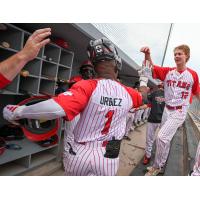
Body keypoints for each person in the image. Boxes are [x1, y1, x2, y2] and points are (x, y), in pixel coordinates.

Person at [3, 37, 147, 176]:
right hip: (111, 150)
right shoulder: (130, 93)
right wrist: (144, 79)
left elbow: (56, 108)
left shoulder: (88, 86)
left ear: (93, 65)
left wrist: (19, 111)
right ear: (117, 63)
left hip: (82, 150)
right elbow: (144, 96)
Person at [140, 45, 200, 175]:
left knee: (161, 137)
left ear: (187, 56)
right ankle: (160, 164)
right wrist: (147, 55)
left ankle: (156, 167)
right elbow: (151, 68)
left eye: (180, 54)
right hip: (167, 109)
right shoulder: (168, 72)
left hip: (180, 110)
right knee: (165, 139)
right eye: (175, 54)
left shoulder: (193, 75)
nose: (176, 56)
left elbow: (197, 92)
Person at [63, 63, 95, 175]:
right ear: (81, 71)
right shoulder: (76, 80)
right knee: (70, 136)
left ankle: (75, 158)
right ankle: (66, 160)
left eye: (90, 70)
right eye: (86, 70)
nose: (88, 72)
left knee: (82, 136)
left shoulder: (94, 83)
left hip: (86, 113)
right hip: (74, 111)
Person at [143, 82, 165, 165]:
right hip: (162, 121)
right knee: (161, 140)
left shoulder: (154, 93)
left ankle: (148, 156)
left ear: (158, 86)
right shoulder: (168, 95)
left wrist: (147, 91)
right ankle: (158, 159)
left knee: (149, 140)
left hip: (152, 119)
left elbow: (145, 100)